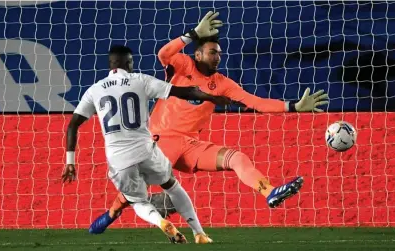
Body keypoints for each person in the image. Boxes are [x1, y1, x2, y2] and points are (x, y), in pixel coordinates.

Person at [91, 11, 329, 234]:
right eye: (213, 52)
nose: (218, 57)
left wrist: (293, 106)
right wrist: (193, 34)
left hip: (190, 145)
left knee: (237, 158)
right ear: (198, 54)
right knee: (137, 187)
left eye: (220, 53)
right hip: (161, 139)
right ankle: (112, 213)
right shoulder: (183, 66)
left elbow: (255, 101)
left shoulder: (223, 83)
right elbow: (163, 54)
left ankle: (269, 193)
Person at [62, 45, 230, 243]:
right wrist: (212, 98)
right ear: (128, 63)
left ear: (111, 64)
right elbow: (183, 92)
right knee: (172, 186)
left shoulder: (94, 90)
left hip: (119, 159)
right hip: (147, 151)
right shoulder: (141, 80)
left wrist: (70, 161)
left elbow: (73, 126)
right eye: (132, 62)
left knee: (138, 201)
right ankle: (199, 233)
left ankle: (161, 222)